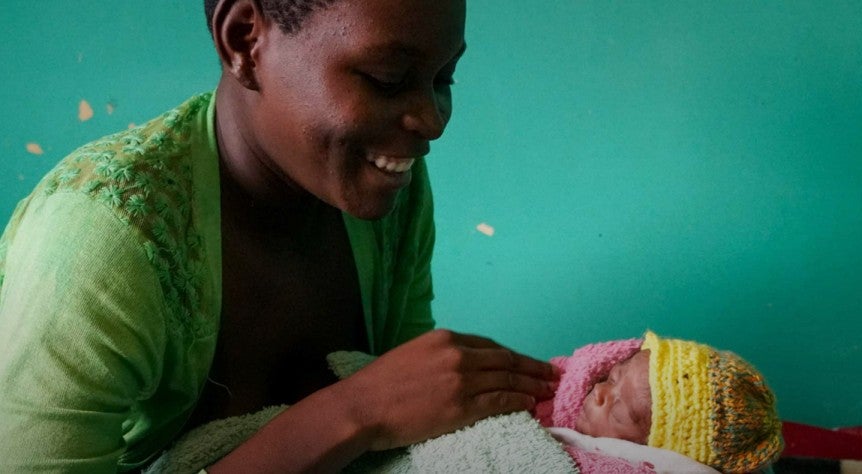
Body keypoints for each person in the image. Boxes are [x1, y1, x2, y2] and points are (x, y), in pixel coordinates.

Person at [0, 0, 558, 472]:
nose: (432, 120)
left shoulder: (385, 187)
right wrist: (352, 413)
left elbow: (415, 421)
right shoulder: (101, 244)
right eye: (388, 79)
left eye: (443, 78)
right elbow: (382, 402)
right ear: (244, 39)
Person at [536, 331, 784, 473]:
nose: (599, 391)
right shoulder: (556, 393)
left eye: (618, 414)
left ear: (647, 451)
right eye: (612, 377)